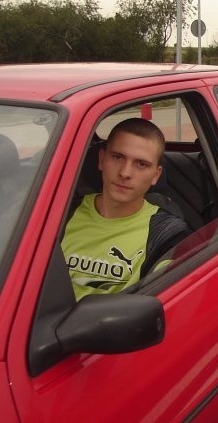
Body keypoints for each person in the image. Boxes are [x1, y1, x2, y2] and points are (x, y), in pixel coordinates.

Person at [62, 118, 191, 300]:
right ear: (101, 159)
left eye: (141, 164)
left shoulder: (166, 234)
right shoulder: (62, 214)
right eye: (117, 157)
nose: (125, 173)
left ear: (156, 175)